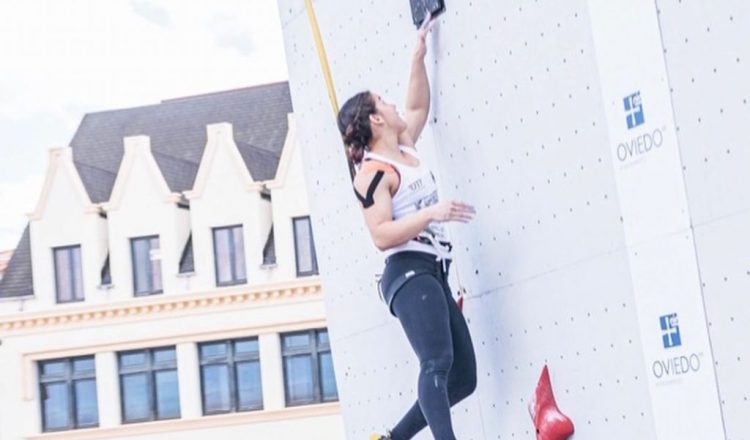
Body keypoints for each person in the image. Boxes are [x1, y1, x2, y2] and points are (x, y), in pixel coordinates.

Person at [336, 15, 478, 440]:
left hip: (433, 271)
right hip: (408, 272)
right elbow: (380, 235)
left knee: (462, 379)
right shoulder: (374, 173)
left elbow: (417, 106)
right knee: (435, 364)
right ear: (376, 121)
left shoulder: (403, 149)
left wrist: (418, 54)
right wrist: (430, 215)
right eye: (385, 102)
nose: (394, 105)